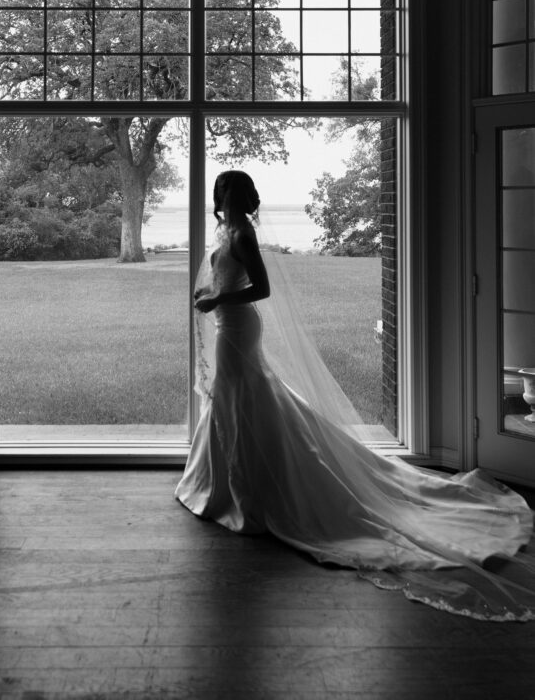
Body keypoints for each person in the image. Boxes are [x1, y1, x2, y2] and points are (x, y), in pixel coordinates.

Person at [175, 169, 535, 620]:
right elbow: (228, 280)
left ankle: (249, 492)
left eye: (229, 189)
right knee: (235, 397)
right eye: (223, 190)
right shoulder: (226, 230)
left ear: (239, 195)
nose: (224, 195)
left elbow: (260, 289)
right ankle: (218, 484)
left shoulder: (243, 232)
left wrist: (216, 302)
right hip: (230, 326)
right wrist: (211, 293)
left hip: (239, 328)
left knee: (240, 395)